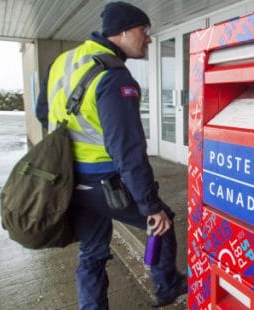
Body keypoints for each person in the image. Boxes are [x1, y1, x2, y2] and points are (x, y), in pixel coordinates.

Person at [41, 2, 186, 309]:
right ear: (122, 32)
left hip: (68, 180)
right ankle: (166, 284)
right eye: (143, 31)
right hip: (103, 181)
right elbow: (128, 151)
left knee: (92, 254)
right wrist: (150, 206)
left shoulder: (63, 61)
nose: (148, 38)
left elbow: (44, 113)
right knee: (161, 222)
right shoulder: (113, 76)